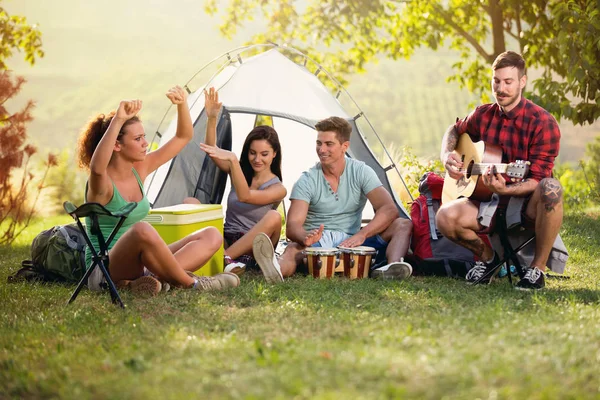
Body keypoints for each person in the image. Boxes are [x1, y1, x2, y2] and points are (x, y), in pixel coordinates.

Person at [77, 86, 240, 295]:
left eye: (144, 136)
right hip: (105, 269)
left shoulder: (140, 169)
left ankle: (152, 281)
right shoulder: (101, 184)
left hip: (142, 263)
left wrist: (182, 104)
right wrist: (118, 119)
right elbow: (96, 168)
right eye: (138, 139)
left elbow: (182, 137)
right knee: (142, 230)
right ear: (116, 146)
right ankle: (194, 284)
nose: (146, 143)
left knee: (212, 235)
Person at [436, 51, 563, 290]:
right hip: (487, 198)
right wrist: (447, 155)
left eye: (508, 82)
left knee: (552, 188)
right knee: (444, 217)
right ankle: (489, 260)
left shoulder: (543, 122)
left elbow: (537, 178)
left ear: (522, 82)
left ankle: (537, 270)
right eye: (496, 81)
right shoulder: (482, 114)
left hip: (525, 202)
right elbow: (453, 130)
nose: (501, 89)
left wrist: (506, 188)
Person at [251, 116, 413, 282]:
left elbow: (388, 208)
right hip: (318, 244)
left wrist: (362, 234)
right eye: (319, 143)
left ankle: (391, 268)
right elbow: (293, 226)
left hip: (354, 242)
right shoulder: (306, 180)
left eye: (329, 144)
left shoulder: (361, 171)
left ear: (345, 146)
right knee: (292, 249)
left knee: (402, 224)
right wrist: (306, 237)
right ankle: (275, 269)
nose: (321, 149)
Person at [184, 88, 286, 279]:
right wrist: (212, 118)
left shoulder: (278, 188)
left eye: (264, 154)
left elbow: (245, 196)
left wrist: (231, 159)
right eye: (252, 152)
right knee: (191, 202)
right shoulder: (238, 170)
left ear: (274, 154)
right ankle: (222, 259)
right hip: (227, 237)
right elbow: (211, 150)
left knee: (273, 216)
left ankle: (224, 258)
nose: (257, 159)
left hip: (254, 245)